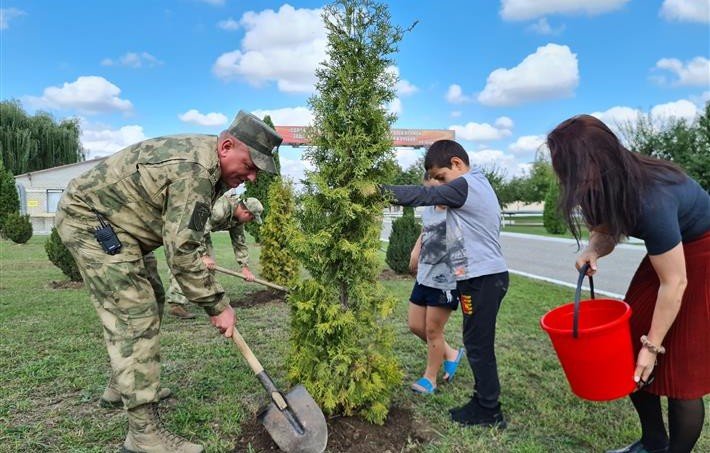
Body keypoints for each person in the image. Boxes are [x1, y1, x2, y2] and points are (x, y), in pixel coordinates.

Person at [55, 110, 282, 453]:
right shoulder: (194, 170)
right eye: (250, 166)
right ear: (226, 146)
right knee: (136, 313)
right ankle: (144, 434)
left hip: (122, 225)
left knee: (153, 296)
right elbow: (182, 251)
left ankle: (123, 386)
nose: (250, 177)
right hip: (91, 219)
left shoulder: (209, 166)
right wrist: (217, 305)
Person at [546, 114, 709, 453]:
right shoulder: (592, 186)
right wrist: (592, 249)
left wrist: (652, 349)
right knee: (627, 346)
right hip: (668, 255)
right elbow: (605, 231)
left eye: (573, 168)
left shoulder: (651, 196)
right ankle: (652, 442)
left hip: (703, 252)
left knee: (682, 370)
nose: (568, 179)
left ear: (600, 159)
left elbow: (675, 282)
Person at [382, 139, 509, 428]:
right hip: (474, 278)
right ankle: (483, 402)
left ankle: (489, 410)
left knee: (479, 346)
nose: (439, 185)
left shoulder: (468, 185)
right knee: (476, 343)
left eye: (441, 177)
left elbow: (420, 195)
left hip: (485, 279)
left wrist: (377, 192)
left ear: (457, 164)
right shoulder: (472, 187)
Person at [407, 172, 464, 394]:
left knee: (433, 331)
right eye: (429, 191)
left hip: (445, 282)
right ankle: (451, 353)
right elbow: (425, 231)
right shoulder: (430, 210)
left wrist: (463, 281)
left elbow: (463, 250)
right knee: (414, 325)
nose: (434, 195)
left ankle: (430, 378)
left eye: (437, 190)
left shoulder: (457, 213)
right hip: (424, 278)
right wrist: (415, 250)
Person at [167, 195, 263, 319]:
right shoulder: (220, 209)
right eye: (251, 218)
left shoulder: (237, 220)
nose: (250, 221)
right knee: (184, 261)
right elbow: (196, 226)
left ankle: (202, 297)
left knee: (210, 267)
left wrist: (244, 267)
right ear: (246, 212)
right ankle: (176, 304)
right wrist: (203, 255)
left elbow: (239, 243)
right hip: (186, 226)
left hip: (202, 233)